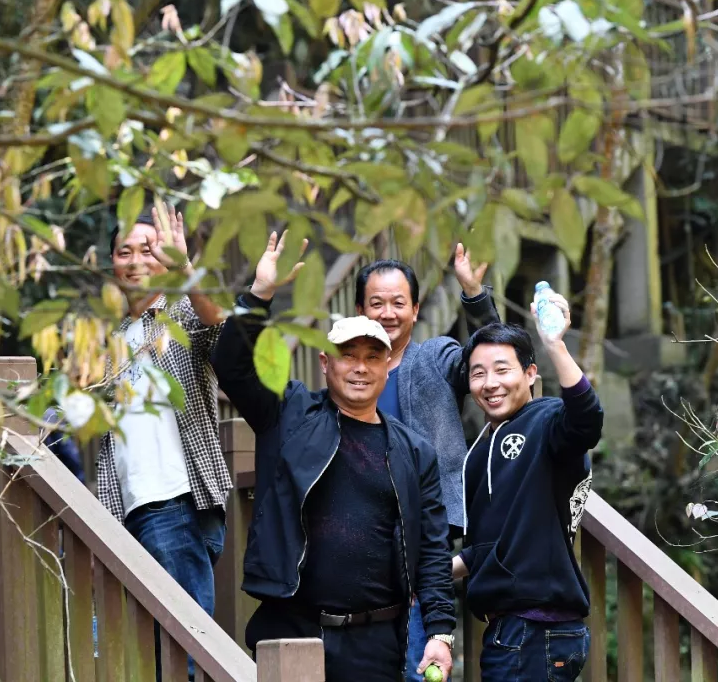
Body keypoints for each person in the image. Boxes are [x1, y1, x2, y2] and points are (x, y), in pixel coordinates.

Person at [212, 231, 456, 682]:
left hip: (379, 641)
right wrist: (260, 293)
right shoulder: (289, 414)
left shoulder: (413, 450)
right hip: (294, 631)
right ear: (326, 363)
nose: (360, 367)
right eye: (348, 356)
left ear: (387, 366)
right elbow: (232, 366)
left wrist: (440, 631)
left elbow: (433, 550)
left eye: (372, 357)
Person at [95, 203, 228, 680]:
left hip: (175, 502)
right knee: (148, 657)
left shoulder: (181, 314)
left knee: (184, 659)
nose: (135, 260)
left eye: (147, 250)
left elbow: (220, 327)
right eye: (124, 251)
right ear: (111, 262)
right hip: (127, 512)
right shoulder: (111, 340)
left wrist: (185, 269)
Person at [353, 248, 498, 678]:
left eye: (399, 303)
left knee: (419, 661)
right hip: (363, 538)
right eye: (376, 303)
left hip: (425, 537)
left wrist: (472, 292)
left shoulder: (435, 357)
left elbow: (491, 354)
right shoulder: (349, 376)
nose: (387, 313)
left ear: (416, 310)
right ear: (360, 310)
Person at [453, 291, 603, 681]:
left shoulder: (548, 419)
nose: (490, 383)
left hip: (538, 628)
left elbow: (586, 422)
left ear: (530, 374)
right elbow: (486, 550)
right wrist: (425, 577)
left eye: (502, 369)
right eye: (478, 373)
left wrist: (555, 345)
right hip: (512, 630)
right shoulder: (479, 451)